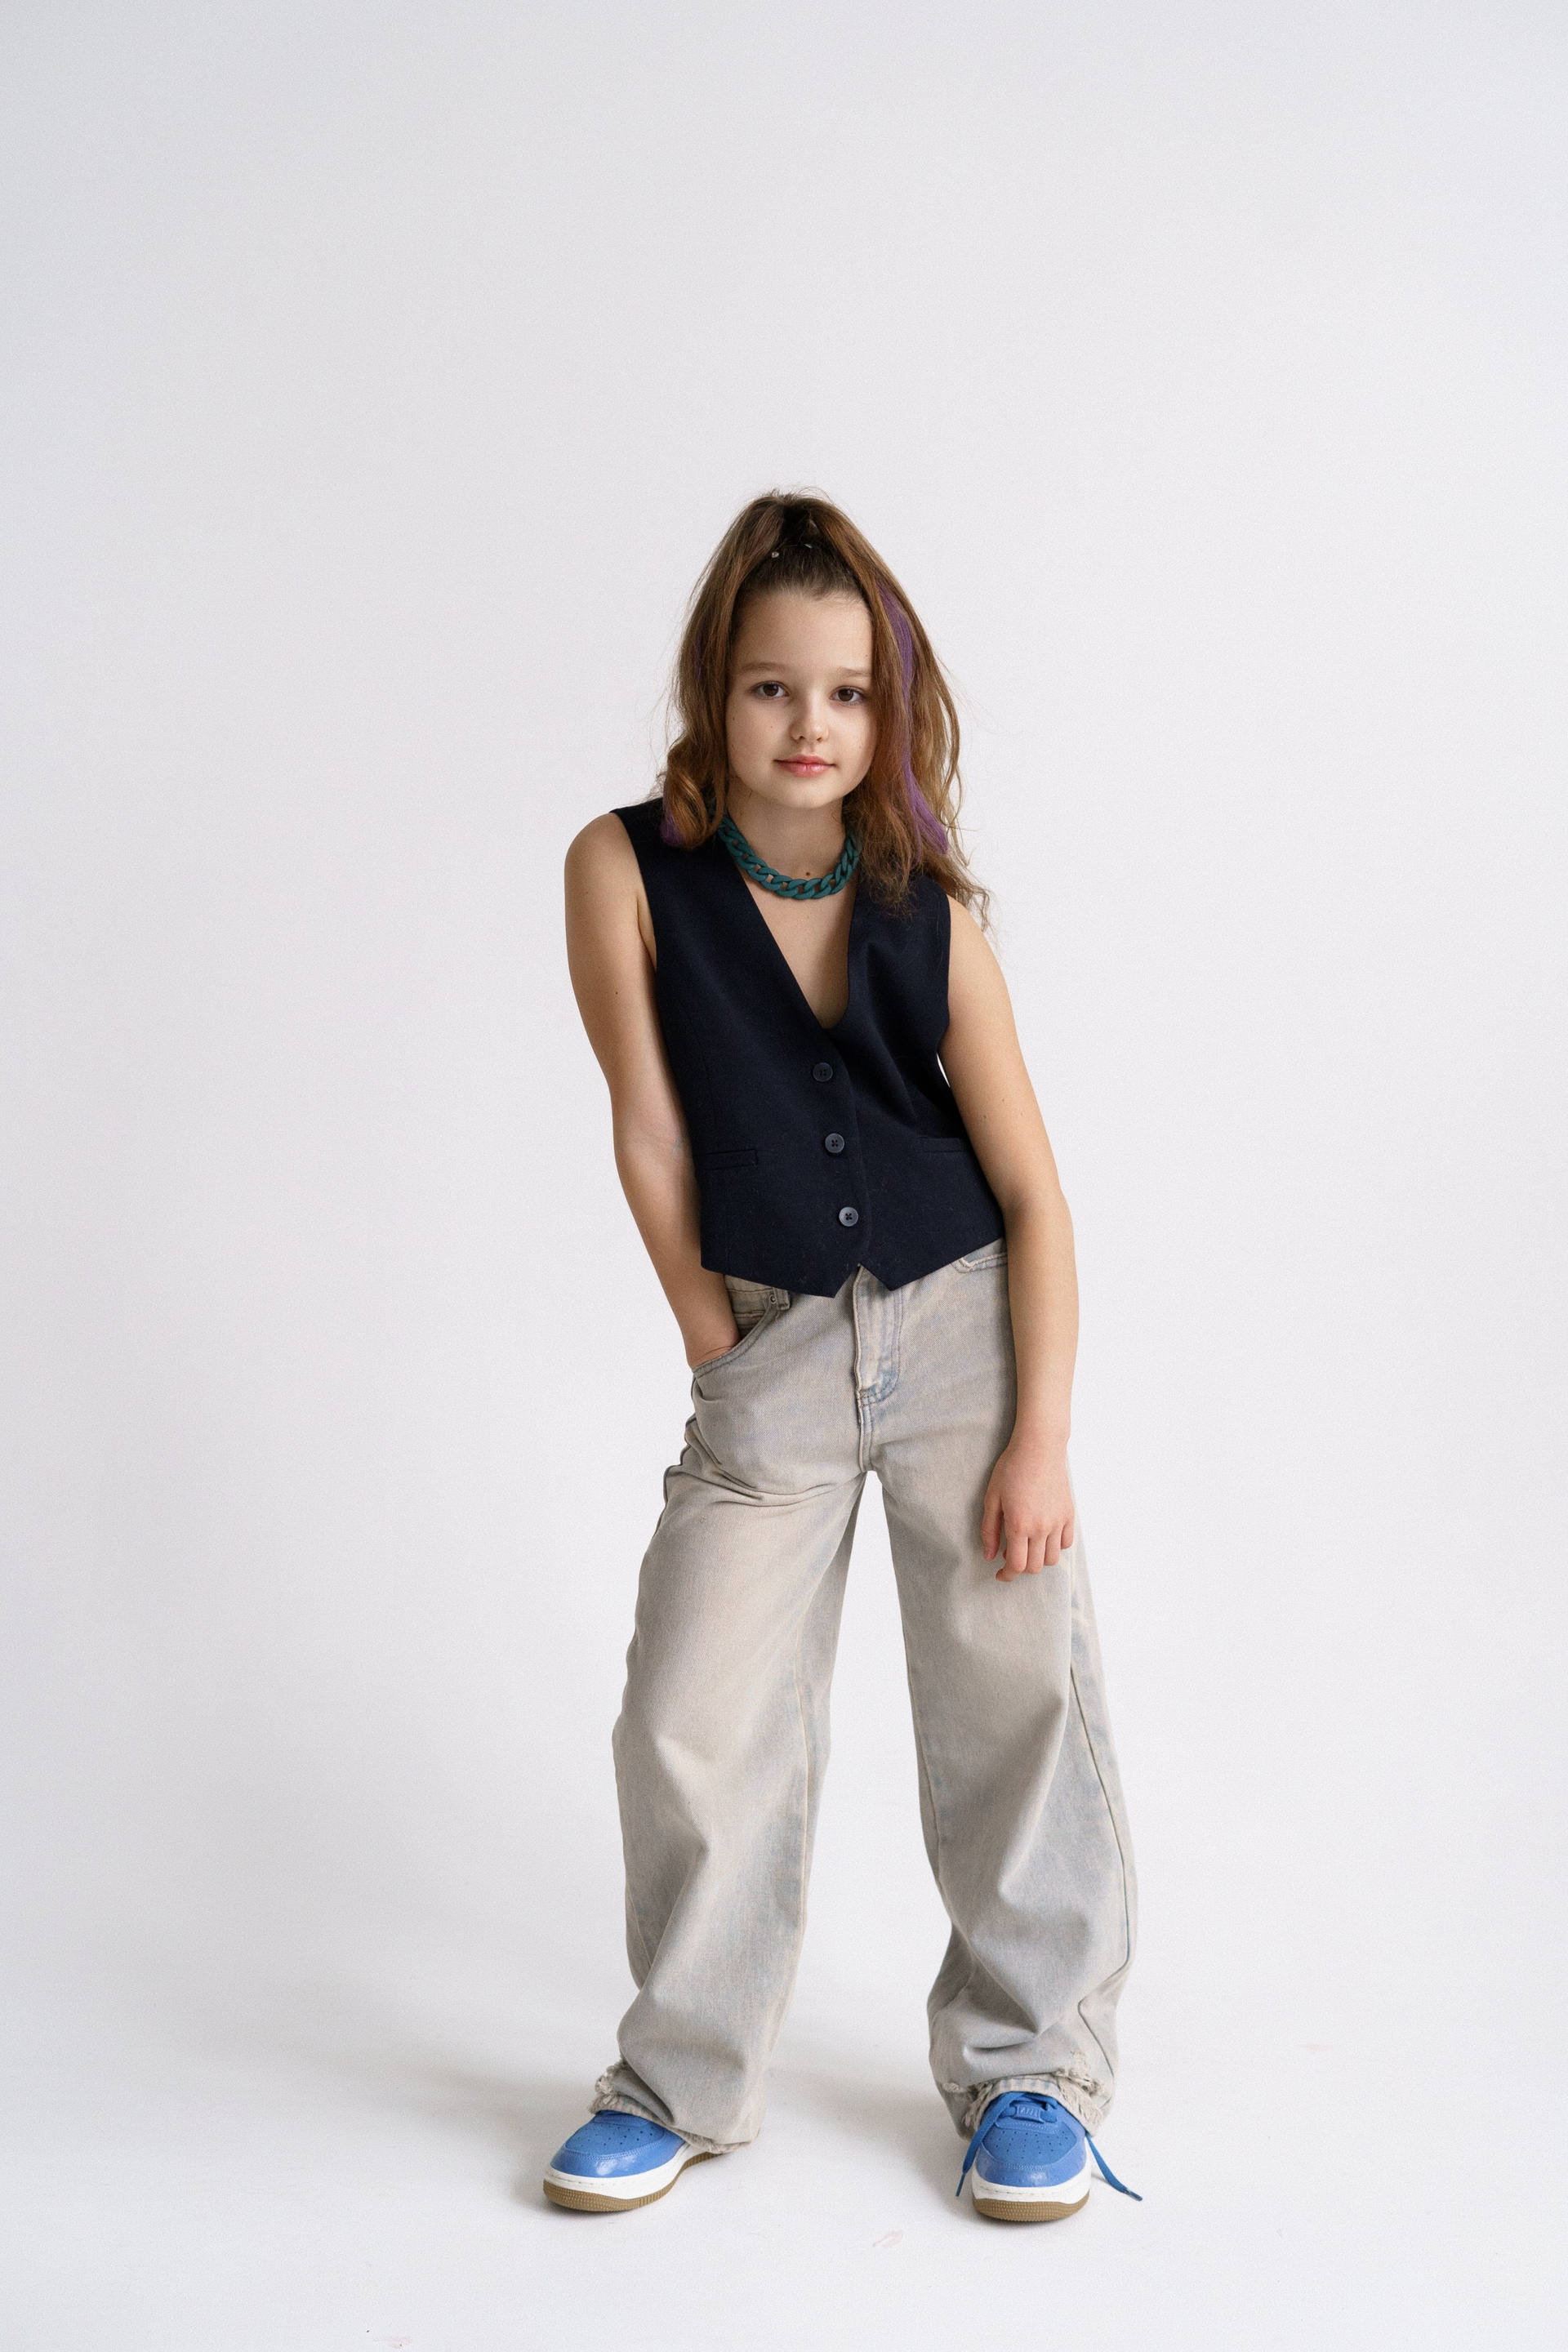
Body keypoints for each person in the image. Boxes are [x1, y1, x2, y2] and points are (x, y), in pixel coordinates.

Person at [549, 492, 1138, 2224]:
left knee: (1011, 1703)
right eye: (771, 688)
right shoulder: (623, 870)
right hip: (774, 1346)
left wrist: (1041, 1434)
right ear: (713, 692)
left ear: (890, 709)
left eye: (848, 693)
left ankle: (1033, 2072)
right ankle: (680, 2078)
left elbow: (1035, 1194)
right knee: (691, 1708)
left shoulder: (926, 909)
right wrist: (712, 1333)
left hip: (966, 1334)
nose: (810, 725)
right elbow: (648, 1126)